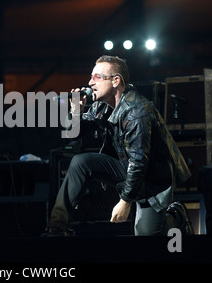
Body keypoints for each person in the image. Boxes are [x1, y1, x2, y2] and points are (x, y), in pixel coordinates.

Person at [44, 55, 191, 236]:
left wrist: (124, 201)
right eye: (91, 77)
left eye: (97, 77)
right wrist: (76, 112)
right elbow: (69, 134)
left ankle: (176, 216)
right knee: (80, 162)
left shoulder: (136, 112)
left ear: (115, 81)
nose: (90, 83)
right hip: (126, 167)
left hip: (151, 179)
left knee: (146, 235)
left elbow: (139, 164)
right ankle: (58, 226)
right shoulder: (101, 107)